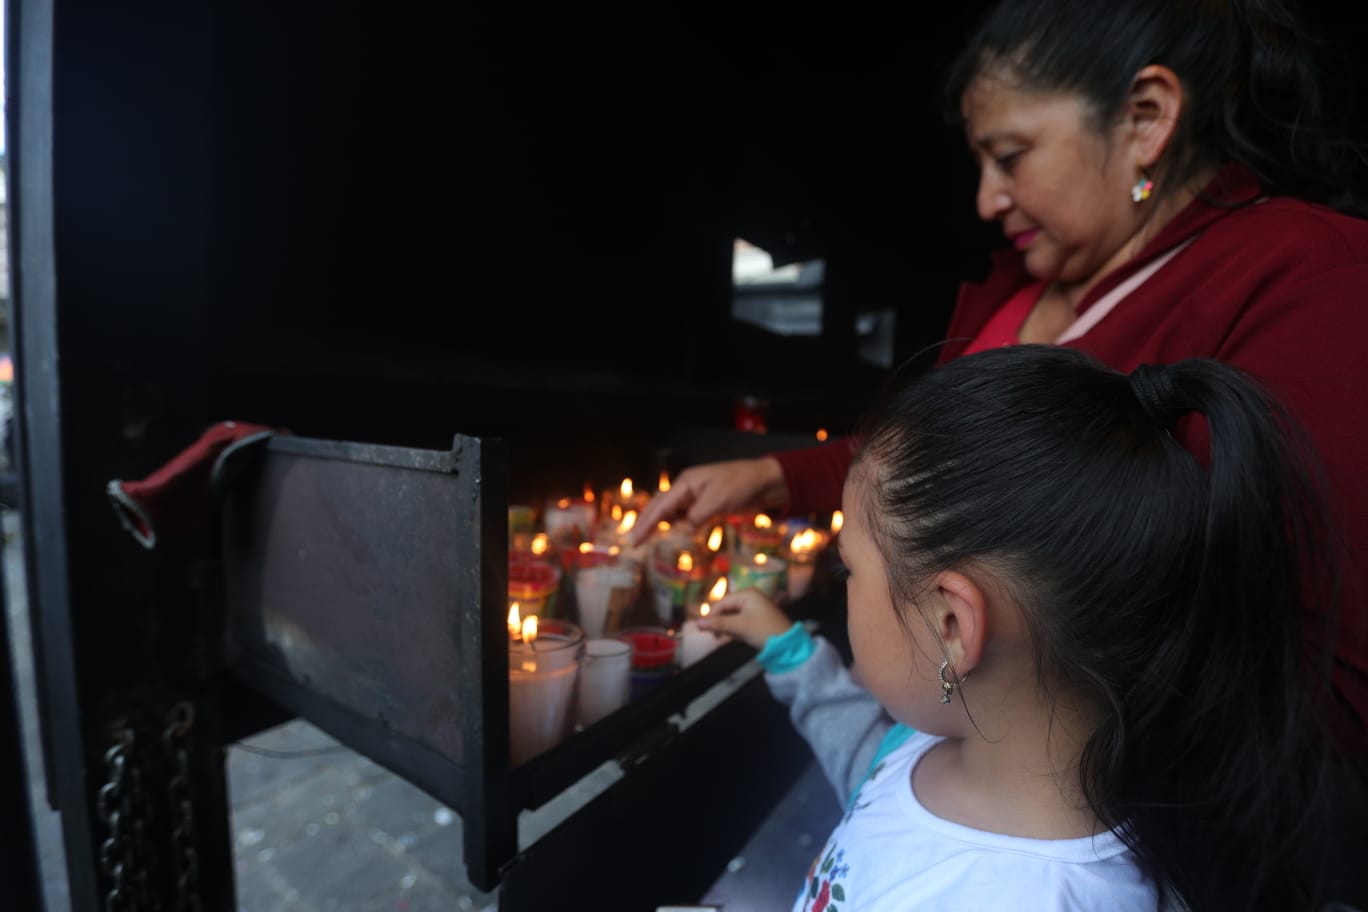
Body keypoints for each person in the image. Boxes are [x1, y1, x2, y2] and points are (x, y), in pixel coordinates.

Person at [635, 0, 1368, 751]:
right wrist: (767, 477)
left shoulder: (1304, 276)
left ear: (1146, 119)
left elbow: (1319, 676)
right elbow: (932, 468)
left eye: (1011, 156)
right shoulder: (1017, 289)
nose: (987, 199)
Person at [697, 344, 1342, 911]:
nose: (848, 589)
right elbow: (875, 779)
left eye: (850, 569)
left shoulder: (1023, 897)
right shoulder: (942, 751)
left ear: (952, 623)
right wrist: (791, 654)